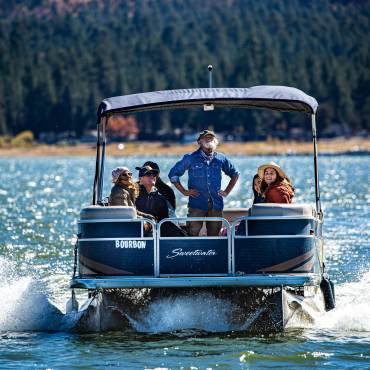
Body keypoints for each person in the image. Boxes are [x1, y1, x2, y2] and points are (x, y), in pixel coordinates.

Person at [168, 130, 240, 236]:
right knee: (192, 233)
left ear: (215, 141)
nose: (209, 139)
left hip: (216, 205)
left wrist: (227, 191)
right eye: (206, 138)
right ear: (199, 142)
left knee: (215, 235)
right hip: (196, 204)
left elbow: (235, 174)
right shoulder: (190, 158)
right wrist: (184, 191)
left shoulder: (221, 158)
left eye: (211, 138)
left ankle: (214, 252)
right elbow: (173, 175)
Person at [135, 165, 186, 237]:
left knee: (177, 232)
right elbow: (131, 214)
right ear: (140, 179)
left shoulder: (160, 198)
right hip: (137, 230)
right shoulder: (133, 194)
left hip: (155, 230)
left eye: (154, 174)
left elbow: (164, 221)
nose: (152, 176)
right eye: (148, 174)